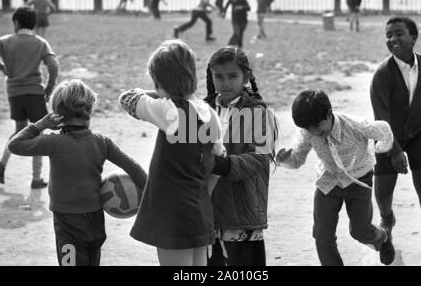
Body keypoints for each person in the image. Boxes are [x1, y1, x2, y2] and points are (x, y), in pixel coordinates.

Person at [8, 79, 147, 266]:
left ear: (58, 114)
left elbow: (15, 145)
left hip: (67, 223)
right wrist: (150, 197)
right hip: (95, 220)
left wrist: (40, 125)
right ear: (90, 110)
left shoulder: (53, 143)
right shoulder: (101, 142)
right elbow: (134, 168)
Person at [119, 40, 225, 266]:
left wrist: (159, 94)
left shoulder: (168, 110)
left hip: (171, 212)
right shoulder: (208, 113)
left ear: (158, 82)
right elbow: (219, 162)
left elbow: (127, 98)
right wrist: (204, 194)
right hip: (199, 209)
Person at [276, 89, 396, 266]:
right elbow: (297, 160)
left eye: (316, 126)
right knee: (322, 235)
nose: (313, 132)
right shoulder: (308, 132)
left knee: (360, 231)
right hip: (329, 181)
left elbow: (384, 130)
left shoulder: (355, 125)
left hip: (360, 180)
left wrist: (381, 148)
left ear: (329, 114)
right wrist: (284, 160)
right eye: (307, 128)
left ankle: (382, 237)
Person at [370, 17, 421, 259]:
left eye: (399, 33)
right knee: (383, 189)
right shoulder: (382, 74)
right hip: (387, 135)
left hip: (420, 132)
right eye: (389, 35)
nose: (393, 39)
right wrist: (394, 151)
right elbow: (381, 119)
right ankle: (387, 219)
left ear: (414, 37)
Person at [204, 46, 278, 266]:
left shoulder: (258, 113)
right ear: (211, 75)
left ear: (246, 77)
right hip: (207, 212)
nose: (225, 83)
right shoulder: (202, 110)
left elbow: (259, 158)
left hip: (242, 212)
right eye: (219, 76)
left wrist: (220, 165)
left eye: (233, 76)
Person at [0, 6, 59, 207]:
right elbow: (53, 65)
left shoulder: (5, 42)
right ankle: (36, 178)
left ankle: (1, 165)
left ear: (16, 23)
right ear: (34, 24)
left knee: (19, 131)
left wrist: (2, 67)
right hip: (34, 93)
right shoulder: (40, 43)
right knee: (37, 132)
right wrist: (49, 87)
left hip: (14, 93)